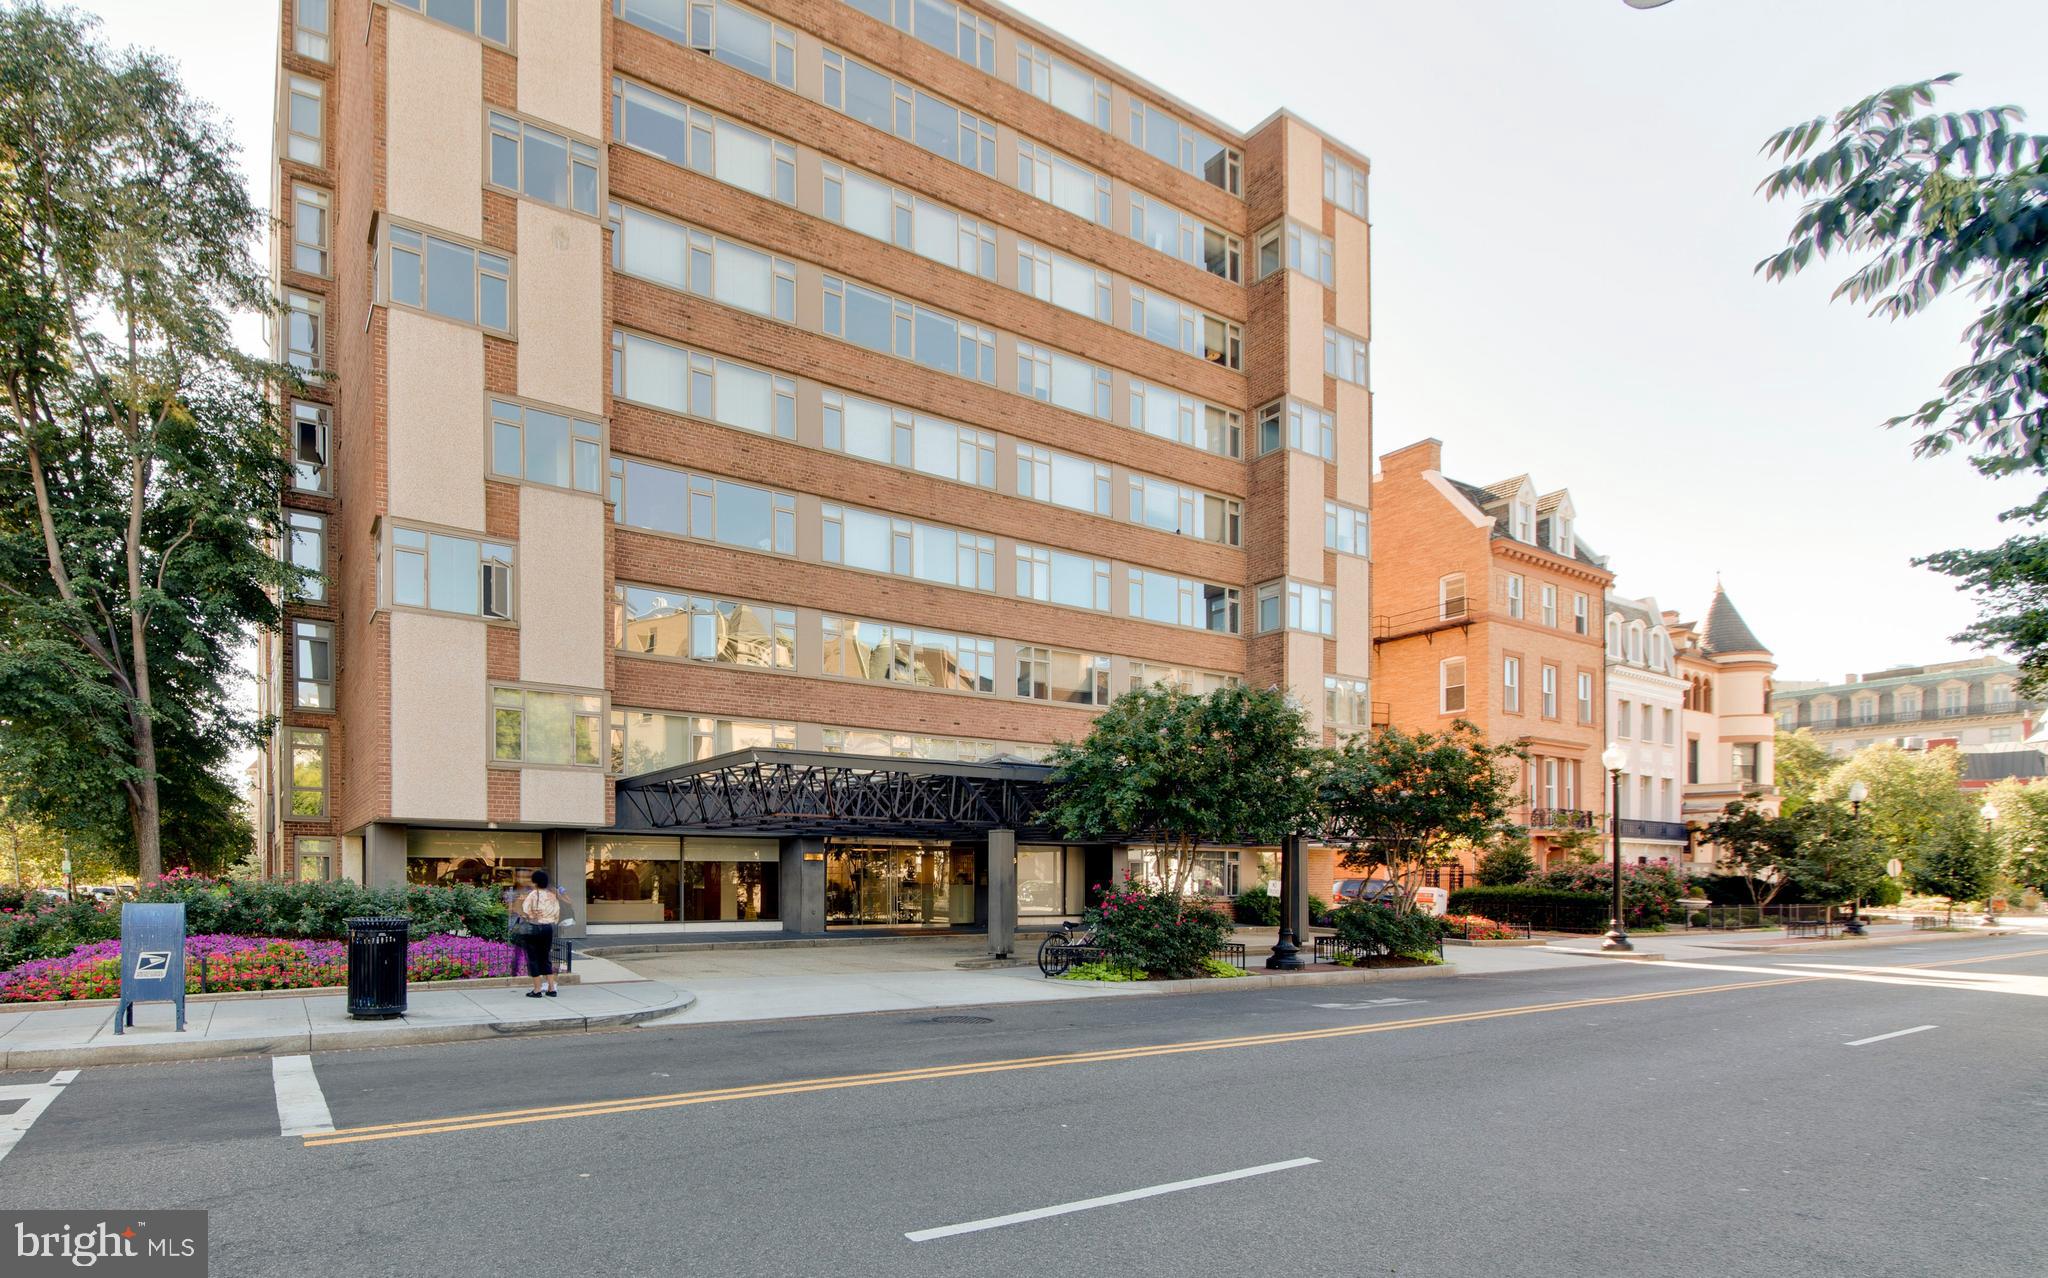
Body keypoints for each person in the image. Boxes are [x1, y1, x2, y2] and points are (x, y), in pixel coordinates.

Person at [516, 869, 562, 997]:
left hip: (534, 927)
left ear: (535, 882)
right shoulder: (552, 896)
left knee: (533, 958)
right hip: (548, 928)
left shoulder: (532, 895)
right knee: (545, 957)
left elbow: (525, 911)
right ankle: (551, 988)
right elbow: (557, 914)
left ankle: (537, 989)